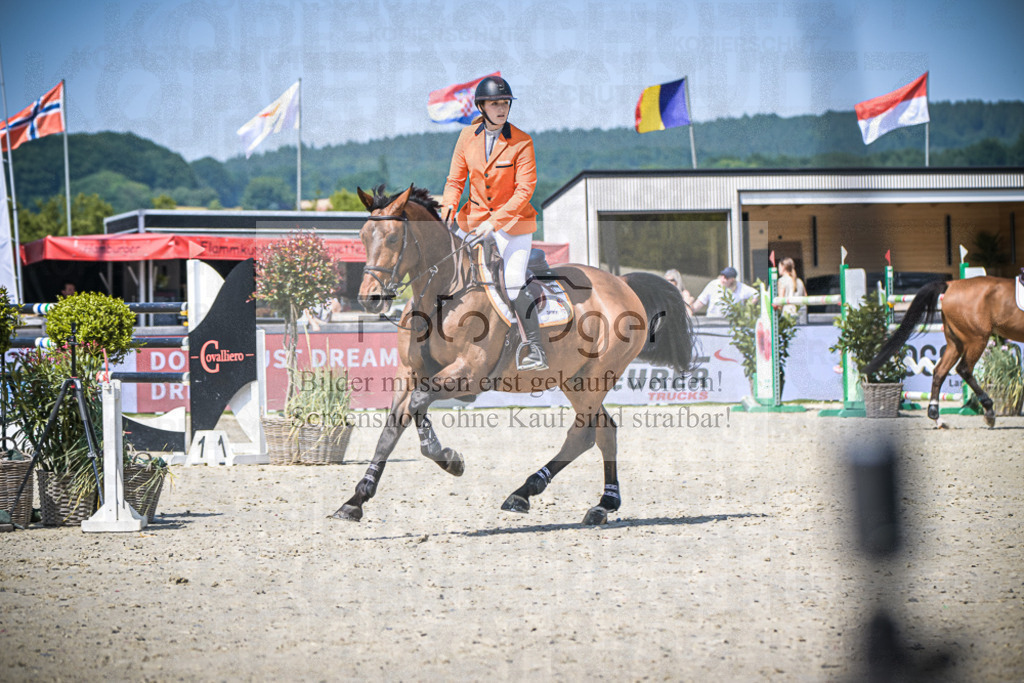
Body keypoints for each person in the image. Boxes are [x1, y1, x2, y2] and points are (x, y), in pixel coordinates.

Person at [440, 75, 545, 370]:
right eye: (495, 103)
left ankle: (535, 348)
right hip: (471, 220)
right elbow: (455, 180)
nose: (501, 108)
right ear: (481, 107)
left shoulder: (522, 142)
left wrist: (495, 222)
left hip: (513, 225)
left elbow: (525, 190)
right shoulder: (466, 137)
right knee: (445, 267)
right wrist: (448, 206)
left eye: (505, 103)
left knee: (512, 284)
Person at [691, 266, 757, 317]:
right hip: (712, 320)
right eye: (722, 276)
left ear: (732, 279)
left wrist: (747, 309)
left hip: (731, 322)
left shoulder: (741, 287)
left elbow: (756, 294)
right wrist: (691, 310)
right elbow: (701, 301)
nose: (723, 279)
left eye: (726, 278)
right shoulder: (713, 285)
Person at [777, 257, 807, 323]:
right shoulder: (799, 281)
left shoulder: (782, 281)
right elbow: (805, 296)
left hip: (788, 314)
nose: (778, 269)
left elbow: (780, 300)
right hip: (801, 314)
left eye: (779, 267)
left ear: (783, 267)